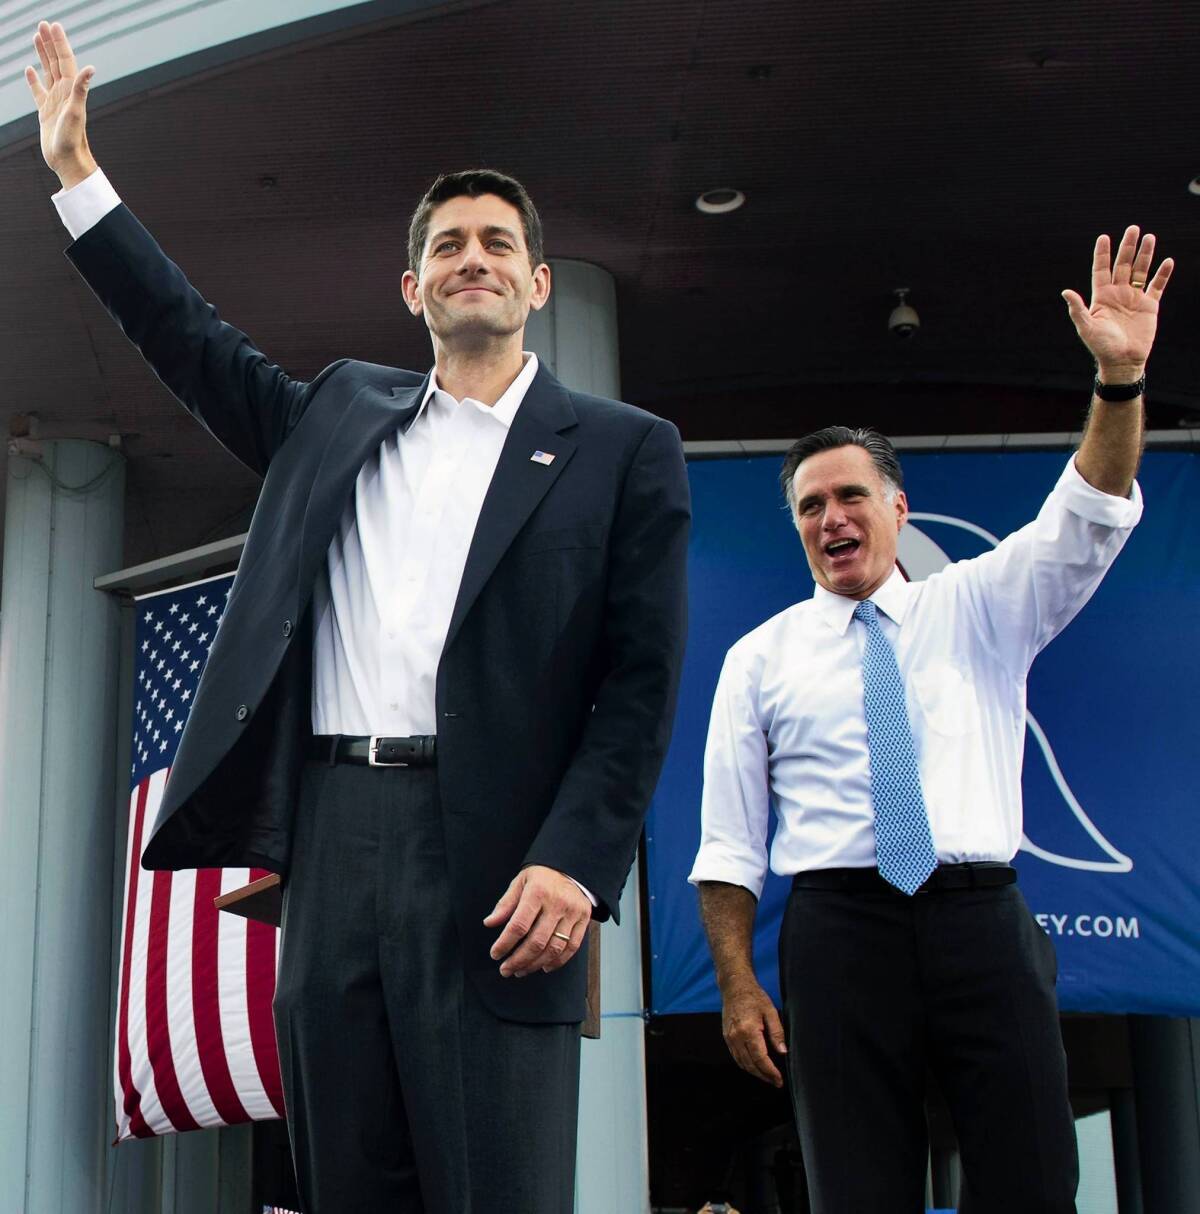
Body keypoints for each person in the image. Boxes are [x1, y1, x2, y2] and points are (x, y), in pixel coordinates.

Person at [27, 20, 689, 1213]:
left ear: (538, 281)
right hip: (333, 844)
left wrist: (578, 863)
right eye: (447, 244)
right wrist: (80, 176)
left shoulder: (626, 452)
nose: (470, 256)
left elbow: (639, 682)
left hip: (499, 865)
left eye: (497, 241)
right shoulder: (338, 413)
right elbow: (190, 340)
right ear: (412, 286)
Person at [689, 226, 1172, 1212]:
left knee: (1033, 1173)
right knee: (856, 1187)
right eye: (811, 505)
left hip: (978, 919)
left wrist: (1118, 381)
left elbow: (1089, 507)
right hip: (837, 933)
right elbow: (730, 847)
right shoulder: (758, 657)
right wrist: (739, 984)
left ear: (898, 507)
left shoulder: (986, 606)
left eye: (851, 495)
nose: (832, 519)